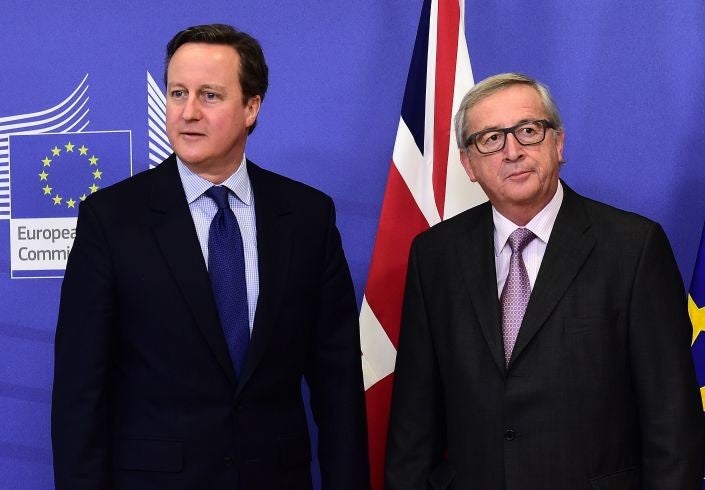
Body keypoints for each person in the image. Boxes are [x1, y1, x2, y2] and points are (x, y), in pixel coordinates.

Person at [51, 24, 369, 490]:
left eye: (210, 96)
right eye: (177, 93)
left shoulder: (307, 216)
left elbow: (337, 383)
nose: (188, 112)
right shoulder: (112, 218)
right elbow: (81, 391)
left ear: (251, 107)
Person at [385, 72, 704, 489]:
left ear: (558, 143)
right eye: (491, 139)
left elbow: (672, 420)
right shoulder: (435, 255)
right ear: (468, 164)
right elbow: (414, 420)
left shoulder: (633, 247)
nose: (512, 151)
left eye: (528, 131)